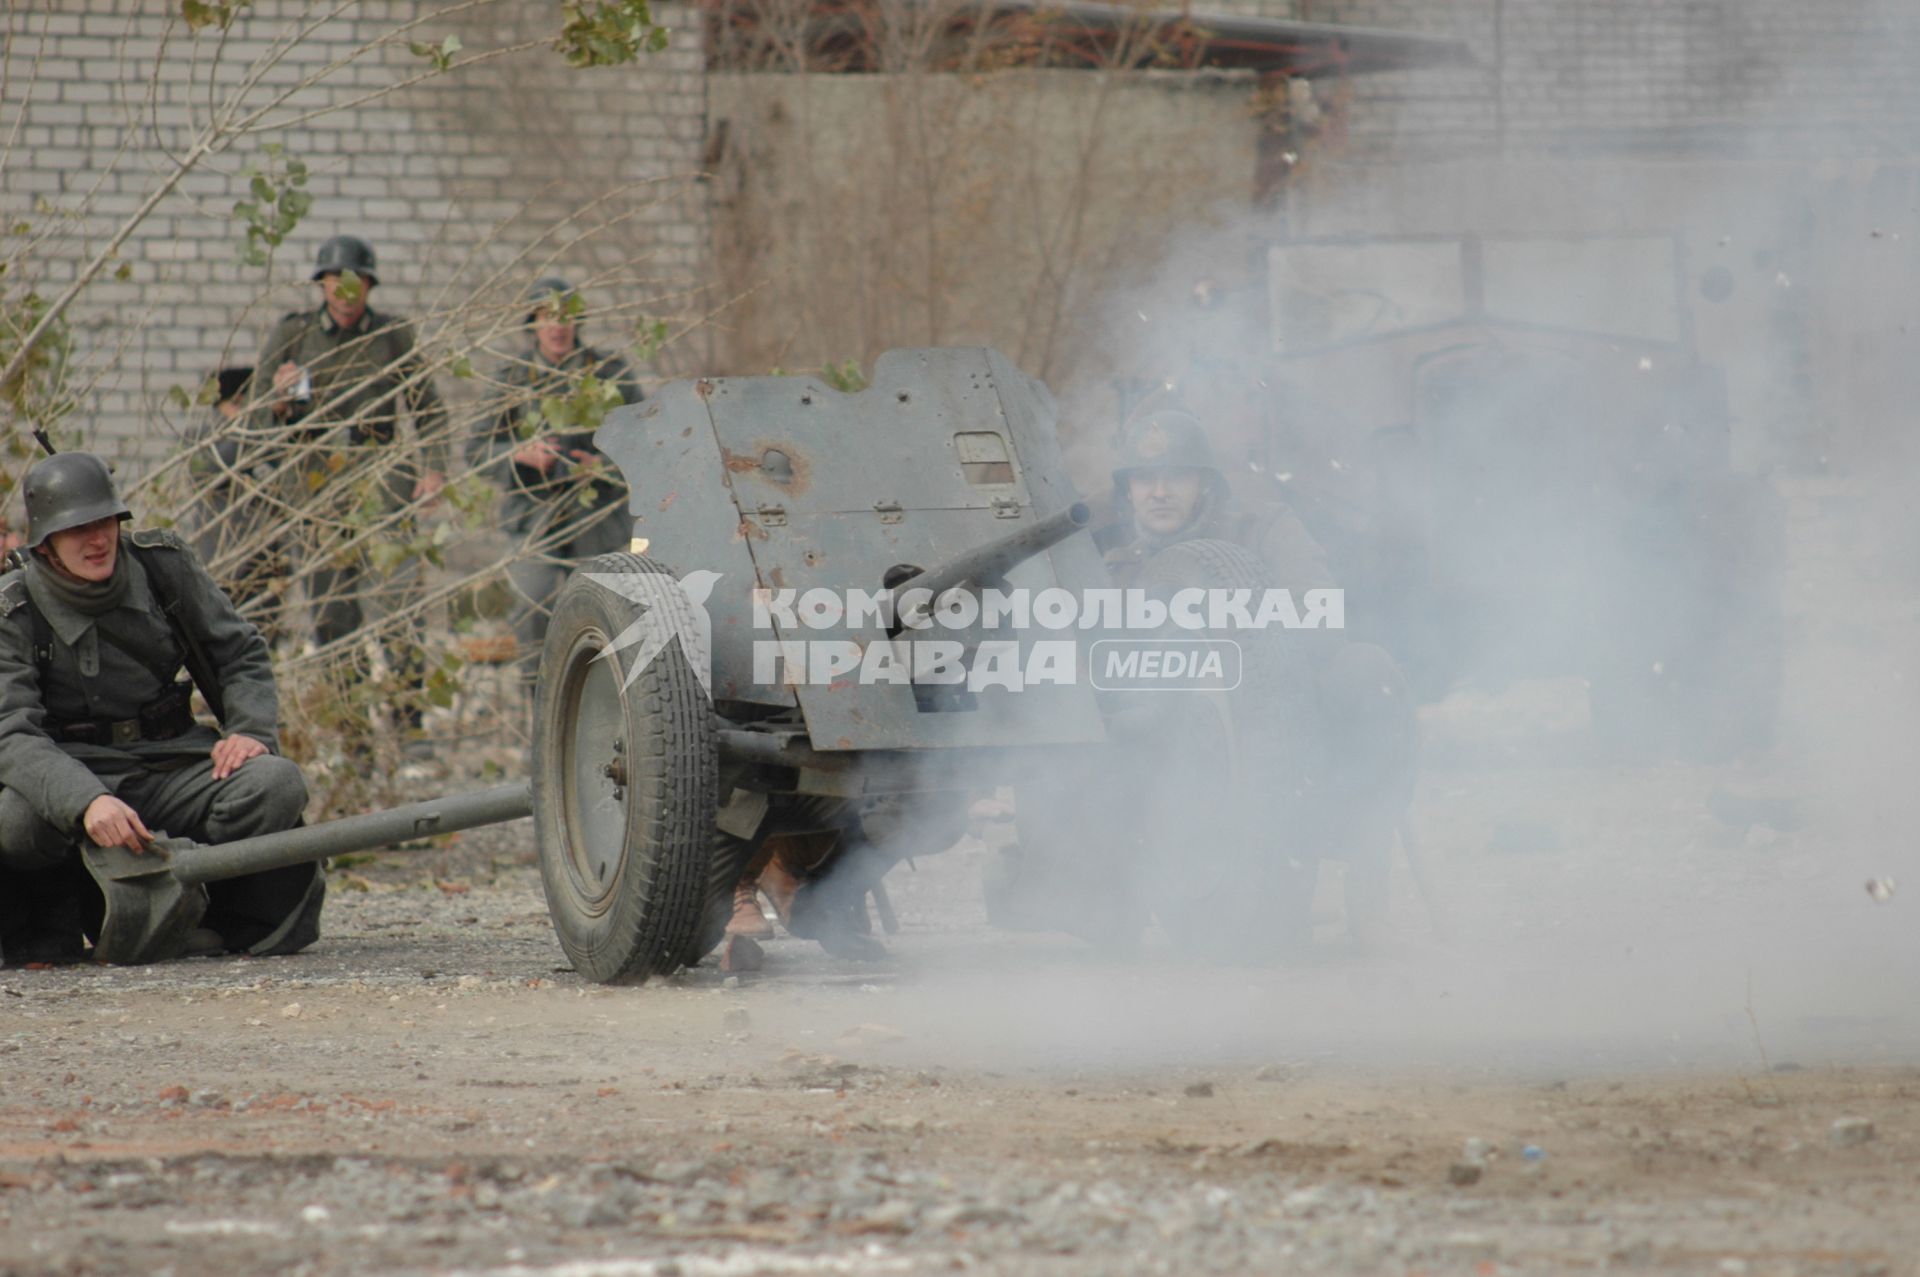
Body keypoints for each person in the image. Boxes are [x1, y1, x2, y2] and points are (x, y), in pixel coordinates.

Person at [0, 452, 321, 967]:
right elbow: (10, 733)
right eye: (78, 529)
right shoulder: (12, 609)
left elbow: (239, 652)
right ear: (46, 541)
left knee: (275, 784)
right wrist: (85, 802)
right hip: (78, 774)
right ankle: (61, 923)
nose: (98, 539)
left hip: (173, 764)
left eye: (104, 521)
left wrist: (250, 731)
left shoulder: (162, 567)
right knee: (16, 822)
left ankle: (215, 916)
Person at [252, 234, 448, 733]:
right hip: (316, 490)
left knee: (399, 604)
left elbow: (428, 409)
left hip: (381, 478)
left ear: (369, 285)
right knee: (333, 618)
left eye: (355, 281)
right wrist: (278, 402)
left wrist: (433, 469)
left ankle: (409, 724)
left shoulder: (392, 335)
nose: (344, 291)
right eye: (335, 280)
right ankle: (351, 730)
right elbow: (254, 426)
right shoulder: (293, 335)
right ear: (322, 285)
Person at [468, 276, 643, 680]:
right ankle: (539, 717)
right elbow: (475, 451)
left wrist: (602, 467)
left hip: (596, 519)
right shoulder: (511, 378)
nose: (557, 327)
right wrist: (518, 455)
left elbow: (645, 445)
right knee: (531, 612)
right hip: (534, 517)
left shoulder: (608, 373)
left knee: (609, 619)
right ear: (533, 323)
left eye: (565, 317)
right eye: (547, 317)